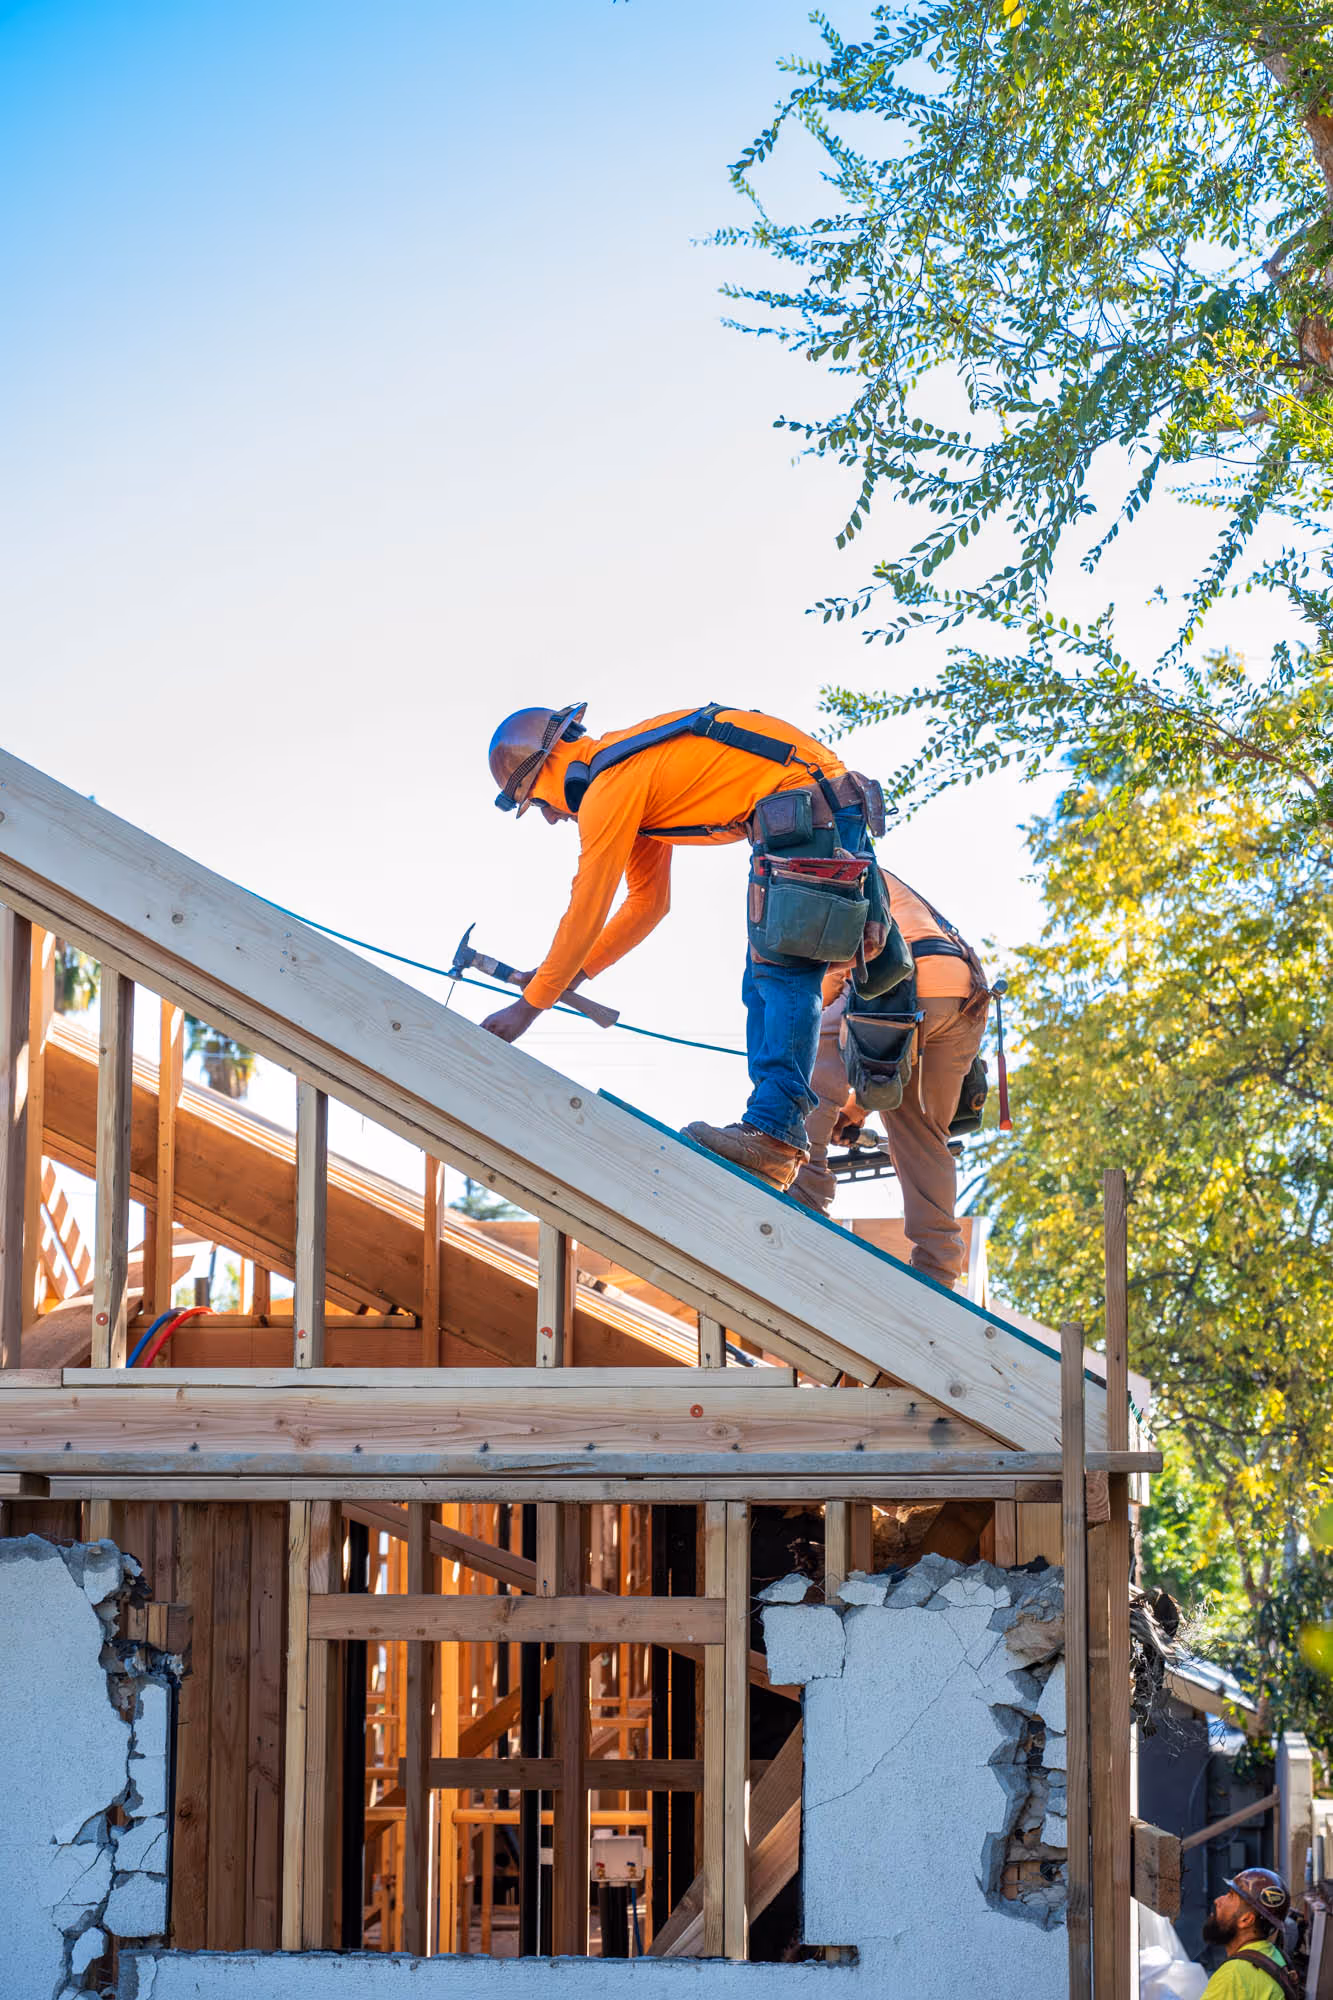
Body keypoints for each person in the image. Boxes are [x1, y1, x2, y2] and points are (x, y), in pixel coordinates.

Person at [481, 701, 878, 1189]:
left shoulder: (609, 788)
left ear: (549, 769)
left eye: (538, 802)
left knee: (782, 971)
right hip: (809, 809)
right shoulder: (632, 775)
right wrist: (564, 979)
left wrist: (527, 1008)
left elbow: (586, 910)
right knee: (765, 979)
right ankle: (773, 1131)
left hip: (806, 806)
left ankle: (774, 1136)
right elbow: (647, 903)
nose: (549, 818)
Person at [789, 869, 989, 1288]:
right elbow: (884, 1061)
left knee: (817, 1049)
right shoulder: (894, 888)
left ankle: (804, 1189)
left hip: (904, 976)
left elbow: (828, 981)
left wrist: (826, 1024)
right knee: (920, 1130)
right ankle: (938, 1267)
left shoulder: (840, 870)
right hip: (964, 996)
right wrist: (855, 1110)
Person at [1198, 1869, 1298, 1997]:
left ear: (1246, 1920)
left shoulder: (1233, 1975)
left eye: (1230, 1896)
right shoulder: (1274, 1955)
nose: (1218, 1901)